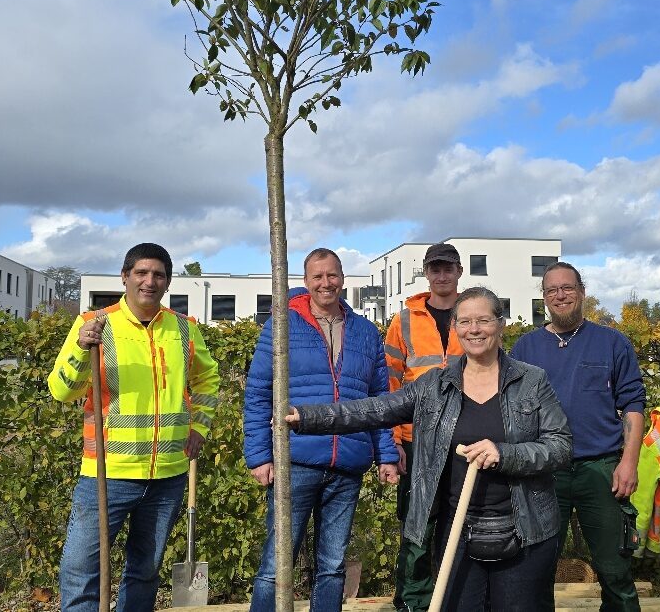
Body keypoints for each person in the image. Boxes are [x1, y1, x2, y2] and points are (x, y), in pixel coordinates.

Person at [287, 286, 572, 611]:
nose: (474, 329)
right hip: (458, 534)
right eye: (465, 322)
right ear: (455, 328)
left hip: (526, 532)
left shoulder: (532, 381)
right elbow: (372, 410)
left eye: (483, 320)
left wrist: (504, 454)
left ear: (500, 324)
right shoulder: (434, 386)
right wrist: (305, 417)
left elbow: (560, 447)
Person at [49, 243, 220, 612]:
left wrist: (199, 429)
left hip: (168, 476)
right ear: (125, 276)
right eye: (141, 273)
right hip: (107, 473)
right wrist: (81, 349)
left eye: (158, 274)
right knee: (81, 573)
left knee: (144, 572)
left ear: (168, 281)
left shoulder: (184, 329)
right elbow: (62, 391)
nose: (149, 281)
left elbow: (208, 380)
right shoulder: (94, 325)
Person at [243, 247, 401, 612]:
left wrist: (387, 454)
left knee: (331, 567)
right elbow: (258, 392)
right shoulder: (281, 325)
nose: (325, 283)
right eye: (318, 277)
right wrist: (258, 456)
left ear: (343, 278)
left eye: (332, 275)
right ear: (305, 281)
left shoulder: (365, 332)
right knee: (275, 565)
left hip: (347, 464)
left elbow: (379, 401)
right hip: (296, 460)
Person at [510, 262, 645, 612]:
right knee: (536, 569)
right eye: (552, 290)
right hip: (544, 472)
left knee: (614, 570)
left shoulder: (612, 343)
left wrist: (629, 462)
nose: (560, 295)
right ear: (544, 297)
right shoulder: (525, 348)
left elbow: (632, 405)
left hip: (600, 468)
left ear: (582, 292)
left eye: (567, 288)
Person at [384, 242, 465, 612]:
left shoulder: (474, 313)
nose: (442, 275)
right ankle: (413, 602)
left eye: (448, 268)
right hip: (418, 441)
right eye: (435, 269)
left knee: (462, 522)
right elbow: (391, 385)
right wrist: (396, 440)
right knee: (417, 526)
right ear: (427, 273)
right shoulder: (403, 321)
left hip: (466, 440)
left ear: (459, 271)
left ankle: (455, 598)